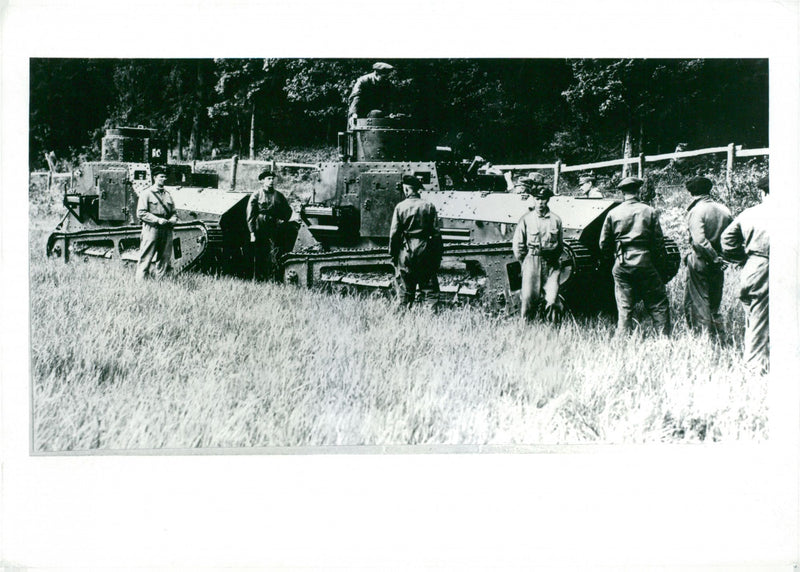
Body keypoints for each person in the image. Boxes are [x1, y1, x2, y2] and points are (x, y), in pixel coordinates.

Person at [599, 177, 671, 336]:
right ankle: (664, 340)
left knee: (624, 306)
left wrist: (613, 259)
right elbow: (658, 243)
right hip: (645, 261)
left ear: (623, 192)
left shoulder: (613, 213)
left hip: (622, 262)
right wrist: (660, 265)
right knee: (658, 303)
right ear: (638, 191)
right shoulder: (649, 211)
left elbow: (604, 243)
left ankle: (623, 340)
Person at [721, 175, 770, 374]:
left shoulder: (749, 213)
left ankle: (757, 365)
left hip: (754, 267)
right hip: (779, 267)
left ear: (762, 192)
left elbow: (727, 240)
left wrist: (743, 259)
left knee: (755, 318)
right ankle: (756, 368)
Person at [683, 175, 733, 338]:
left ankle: (704, 340)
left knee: (699, 302)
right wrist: (722, 259)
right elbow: (731, 238)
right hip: (718, 262)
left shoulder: (696, 211)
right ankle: (721, 338)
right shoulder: (724, 210)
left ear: (691, 192)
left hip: (701, 260)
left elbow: (699, 241)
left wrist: (714, 258)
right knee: (714, 303)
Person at [512, 184, 564, 323]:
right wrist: (525, 263)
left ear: (548, 200)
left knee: (552, 299)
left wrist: (554, 259)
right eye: (538, 199)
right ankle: (526, 329)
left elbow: (560, 244)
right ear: (533, 199)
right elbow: (518, 245)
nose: (541, 202)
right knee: (529, 298)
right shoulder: (526, 219)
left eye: (544, 199)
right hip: (532, 260)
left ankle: (552, 330)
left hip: (551, 263)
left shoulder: (556, 220)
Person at [389, 175, 443, 308]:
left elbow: (394, 234)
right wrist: (437, 256)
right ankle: (430, 319)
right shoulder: (429, 206)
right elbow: (436, 234)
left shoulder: (400, 207)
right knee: (430, 290)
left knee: (405, 291)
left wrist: (393, 254)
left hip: (406, 251)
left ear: (407, 190)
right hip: (425, 249)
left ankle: (404, 320)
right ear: (417, 190)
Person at [246, 165, 293, 282]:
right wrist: (252, 232)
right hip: (260, 225)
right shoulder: (256, 195)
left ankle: (274, 278)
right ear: (262, 181)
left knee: (276, 252)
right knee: (260, 252)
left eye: (272, 178)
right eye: (268, 179)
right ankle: (258, 278)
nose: (271, 181)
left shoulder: (279, 195)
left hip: (275, 226)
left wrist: (283, 221)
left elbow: (288, 211)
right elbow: (250, 214)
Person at [136, 165, 178, 280]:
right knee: (146, 258)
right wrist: (157, 220)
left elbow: (174, 212)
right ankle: (141, 283)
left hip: (167, 229)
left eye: (165, 177)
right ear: (155, 177)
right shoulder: (146, 193)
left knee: (165, 258)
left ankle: (162, 282)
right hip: (152, 229)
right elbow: (141, 213)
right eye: (161, 177)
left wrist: (173, 219)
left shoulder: (167, 195)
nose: (164, 179)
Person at [347, 62, 395, 128]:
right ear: (376, 74)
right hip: (360, 112)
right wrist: (354, 113)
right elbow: (356, 97)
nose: (386, 79)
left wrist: (391, 113)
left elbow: (390, 100)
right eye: (384, 77)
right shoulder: (363, 81)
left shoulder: (387, 84)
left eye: (387, 77)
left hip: (376, 114)